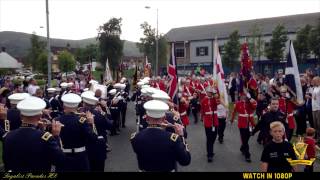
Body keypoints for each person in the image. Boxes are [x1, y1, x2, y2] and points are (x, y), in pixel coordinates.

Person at [2, 96, 66, 171]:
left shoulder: (9, 136)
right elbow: (60, 160)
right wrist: (56, 136)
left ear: (21, 116)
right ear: (40, 116)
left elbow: (6, 162)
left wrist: (40, 130)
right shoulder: (46, 137)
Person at [130, 100, 191, 172]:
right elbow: (185, 161)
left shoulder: (135, 137)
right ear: (164, 118)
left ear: (146, 118)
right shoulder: (173, 139)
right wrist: (181, 136)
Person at [56, 93, 99, 171]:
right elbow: (94, 138)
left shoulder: (56, 120)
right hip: (80, 158)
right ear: (77, 106)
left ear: (63, 106)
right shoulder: (82, 121)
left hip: (63, 157)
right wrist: (92, 123)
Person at [231, 91, 257, 162]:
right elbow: (234, 111)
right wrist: (232, 119)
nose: (243, 97)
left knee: (247, 137)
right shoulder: (238, 103)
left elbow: (254, 107)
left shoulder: (251, 102)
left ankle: (243, 147)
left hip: (250, 123)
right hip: (242, 123)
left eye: (245, 96)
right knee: (244, 139)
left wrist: (250, 99)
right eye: (242, 96)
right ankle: (247, 155)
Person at [200, 86, 219, 162]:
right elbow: (202, 110)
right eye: (208, 92)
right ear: (206, 93)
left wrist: (215, 94)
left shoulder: (214, 99)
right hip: (207, 122)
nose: (209, 93)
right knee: (209, 138)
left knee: (214, 136)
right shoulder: (204, 100)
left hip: (215, 121)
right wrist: (202, 118)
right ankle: (209, 154)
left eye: (211, 92)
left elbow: (218, 102)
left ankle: (210, 148)